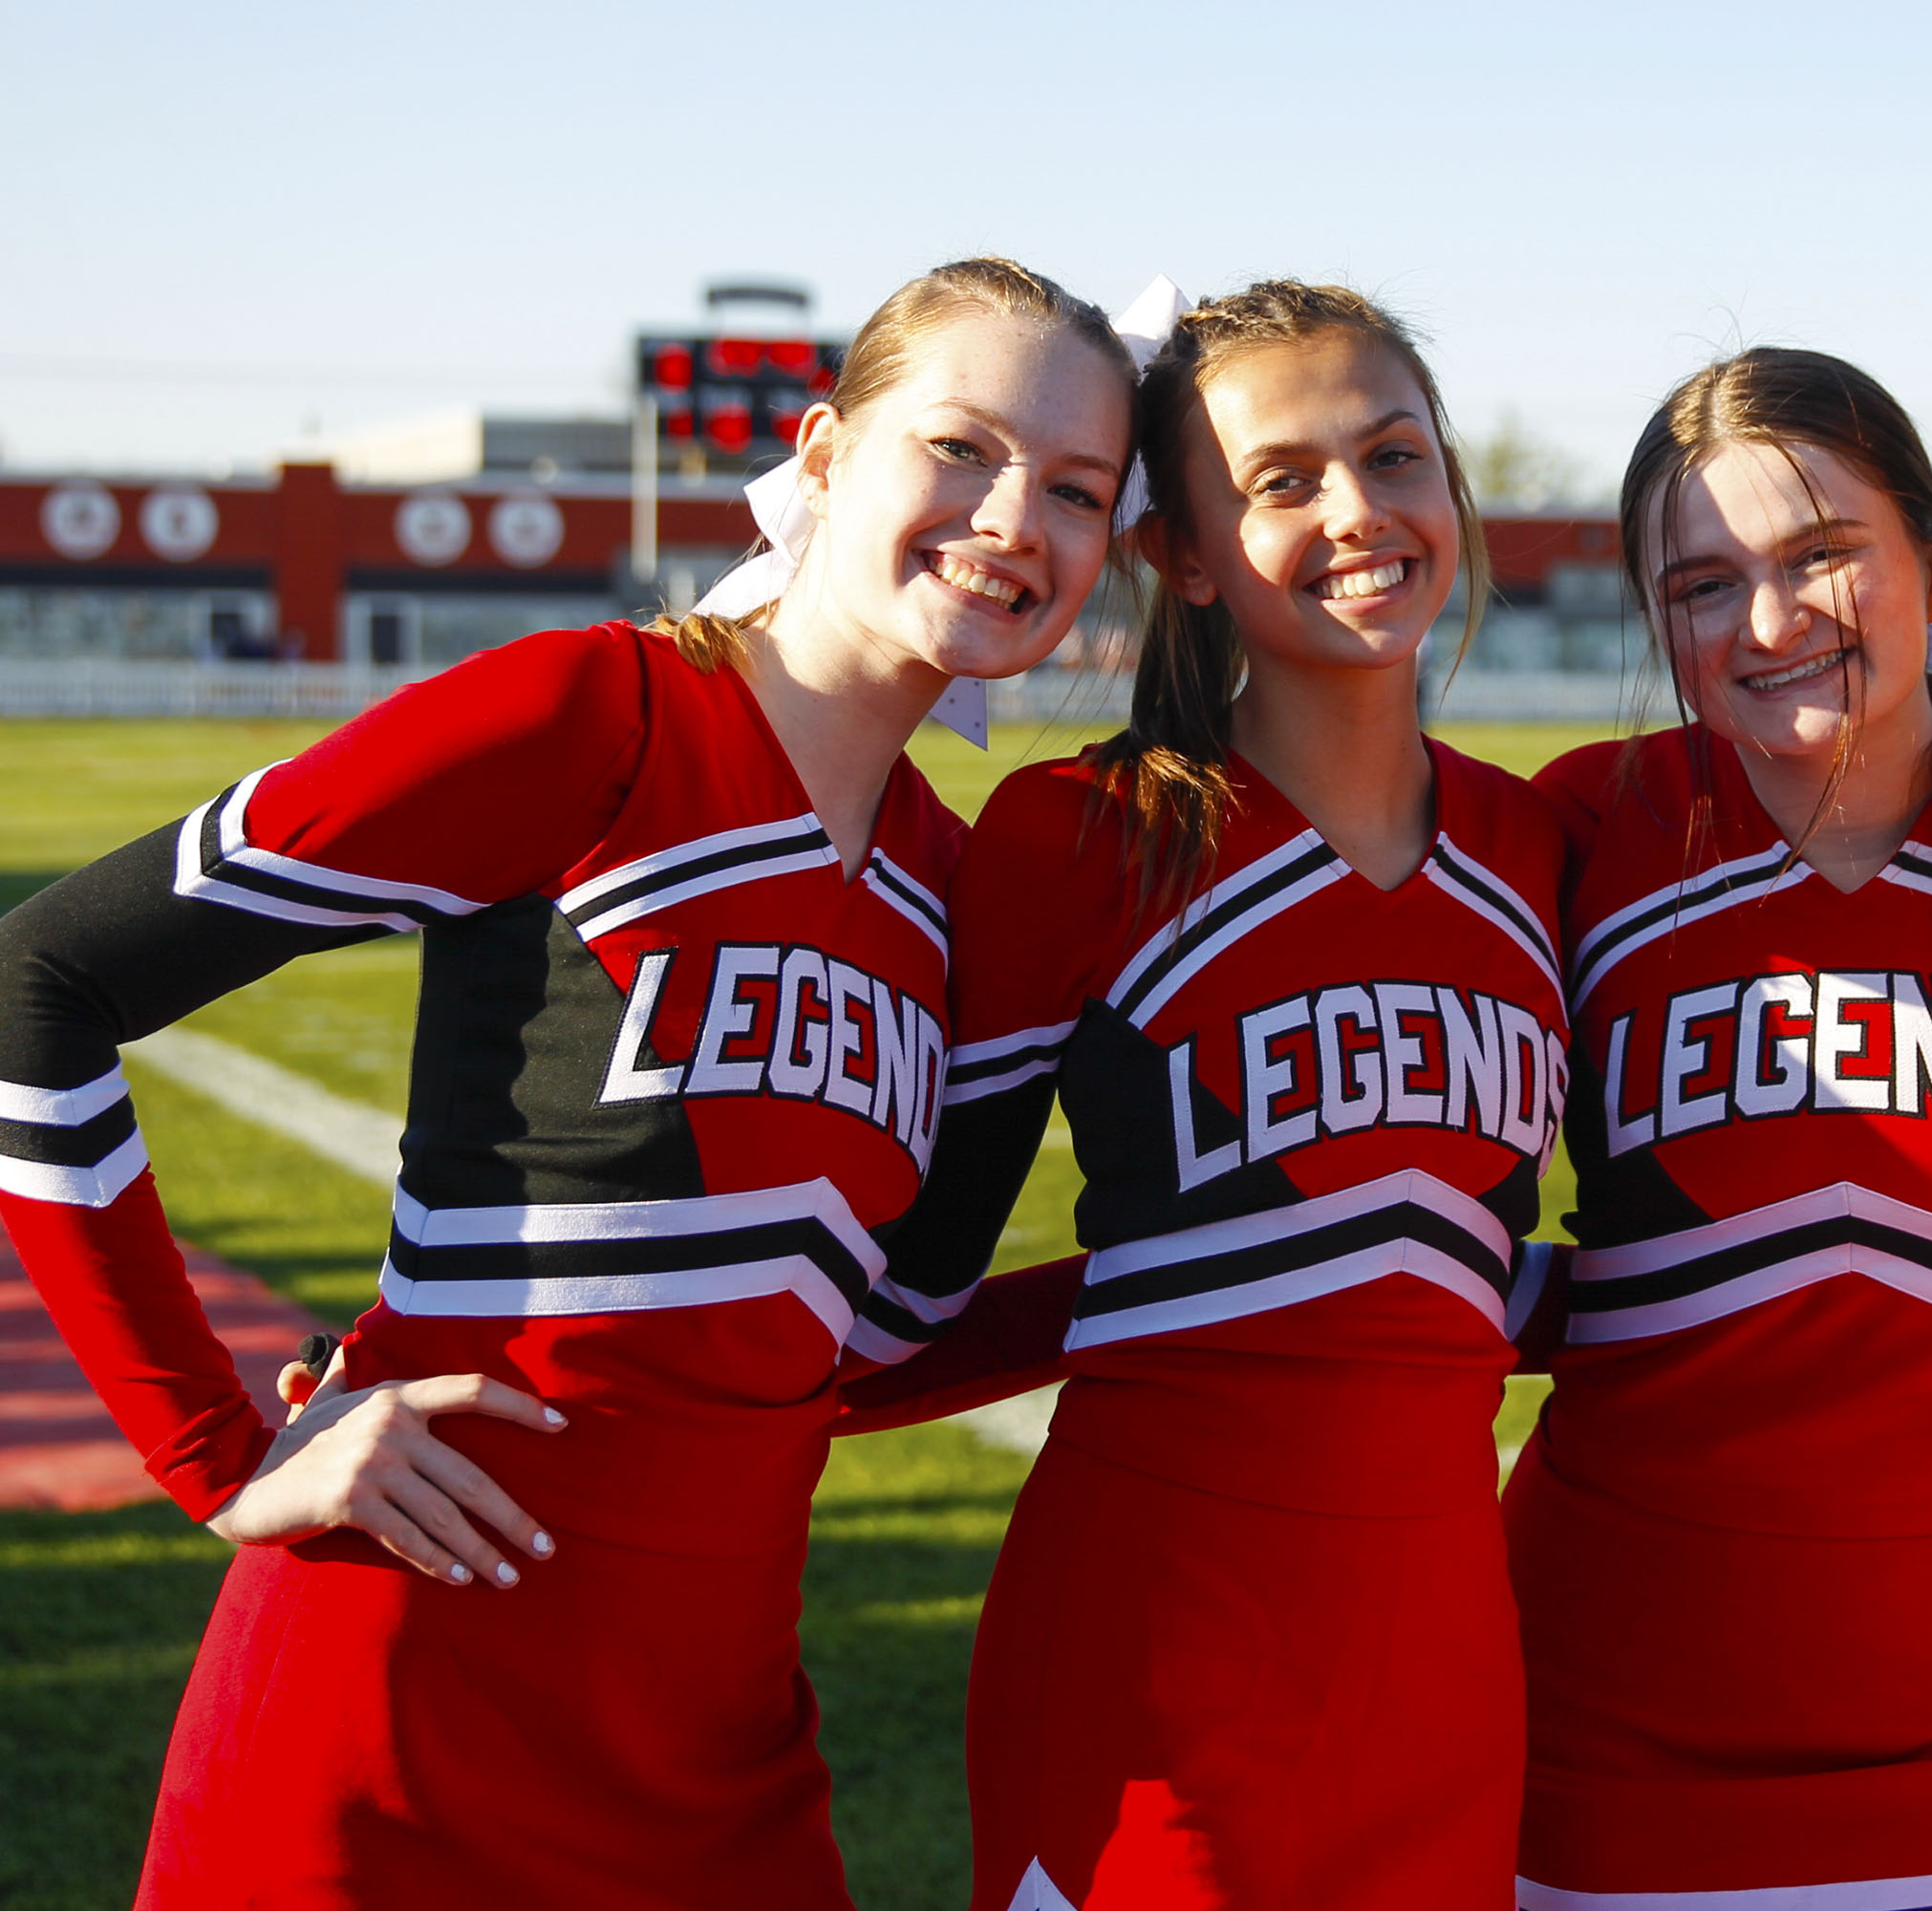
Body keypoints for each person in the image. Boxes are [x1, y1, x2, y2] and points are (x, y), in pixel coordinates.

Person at [0, 257, 1137, 1909]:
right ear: (822, 457)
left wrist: (1268, 1281)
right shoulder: (592, 715)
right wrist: (218, 1454)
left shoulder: (949, 886)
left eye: (1078, 486)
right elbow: (41, 981)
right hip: (404, 1684)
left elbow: (848, 1353)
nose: (1012, 514)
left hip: (720, 1747)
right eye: (959, 446)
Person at [841, 281, 1570, 1910]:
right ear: (1182, 551)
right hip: (1155, 1659)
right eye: (1282, 481)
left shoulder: (1539, 850)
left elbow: (1485, 1263)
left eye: (1394, 458)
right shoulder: (1080, 839)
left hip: (1451, 1660)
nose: (1359, 514)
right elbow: (891, 1312)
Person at [1502, 347, 1932, 1908]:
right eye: (1701, 584)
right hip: (1611, 1734)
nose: (1767, 622)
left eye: (1820, 558)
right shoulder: (1575, 830)